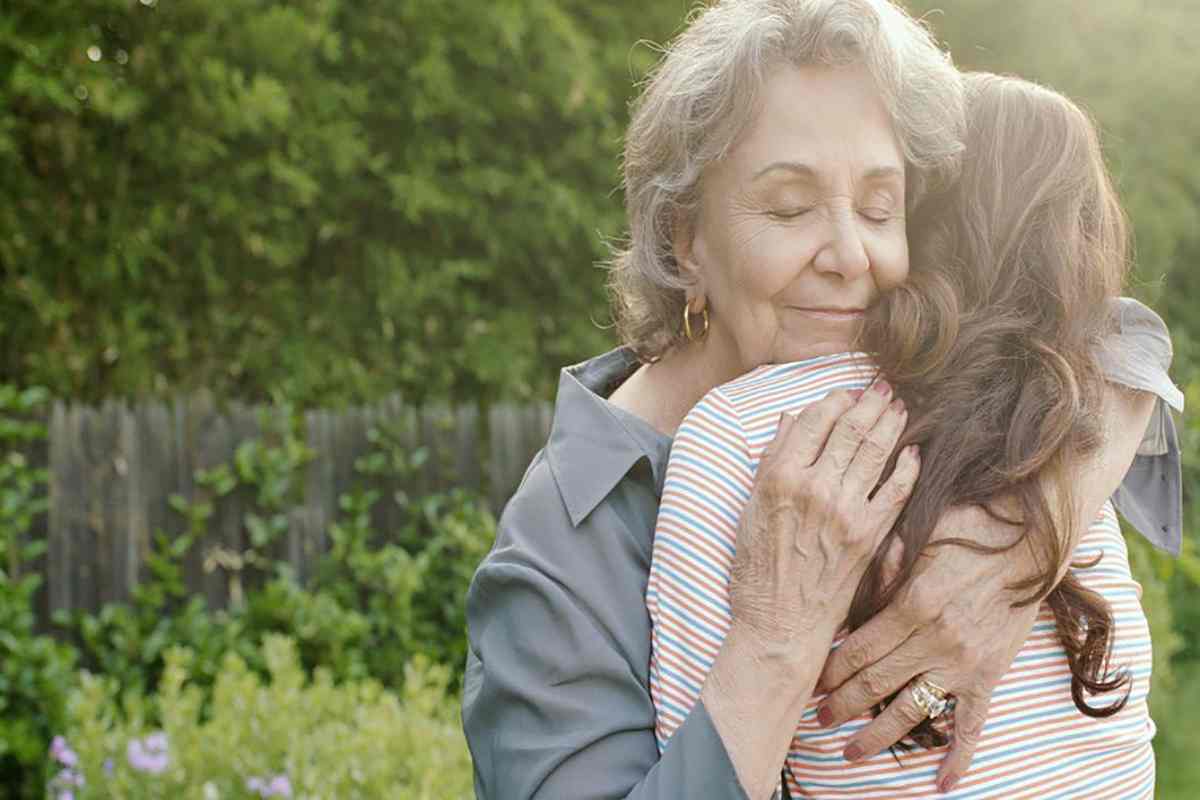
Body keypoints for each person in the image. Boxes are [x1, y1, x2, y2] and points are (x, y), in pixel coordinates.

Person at [461, 2, 1183, 798]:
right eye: (789, 207)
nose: (850, 255)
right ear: (683, 239)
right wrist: (775, 640)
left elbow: (1116, 332)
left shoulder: (914, 377)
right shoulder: (562, 548)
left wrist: (1020, 546)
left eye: (881, 208)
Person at [648, 72, 1160, 799]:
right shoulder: (1075, 436)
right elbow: (1131, 333)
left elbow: (705, 769)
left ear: (916, 213)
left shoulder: (743, 432)